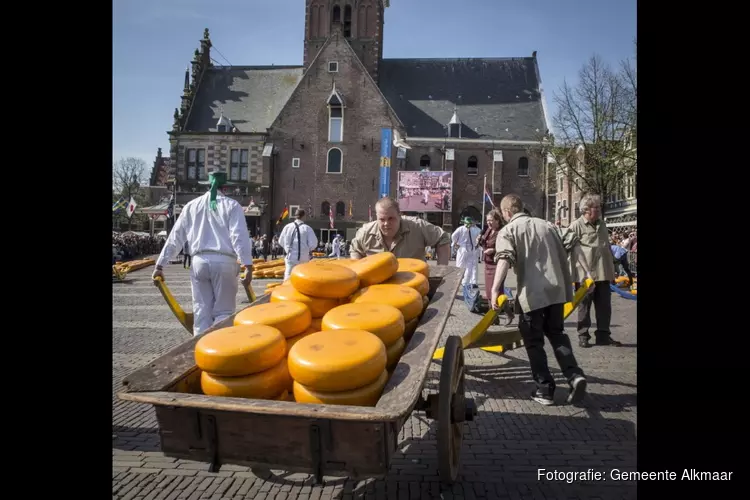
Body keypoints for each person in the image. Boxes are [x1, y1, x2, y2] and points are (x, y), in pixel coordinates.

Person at [490, 194, 593, 406]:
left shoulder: (508, 231)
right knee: (557, 334)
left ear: (507, 212)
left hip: (532, 294)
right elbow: (574, 242)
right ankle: (574, 375)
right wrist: (587, 272)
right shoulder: (548, 225)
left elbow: (503, 259)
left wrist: (494, 289)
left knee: (534, 341)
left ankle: (545, 389)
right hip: (557, 291)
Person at [152, 171, 254, 336]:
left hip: (199, 261)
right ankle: (218, 352)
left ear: (207, 185)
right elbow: (239, 237)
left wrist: (160, 264)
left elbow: (175, 237)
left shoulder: (191, 206)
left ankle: (200, 350)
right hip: (225, 262)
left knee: (201, 311)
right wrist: (247, 264)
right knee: (224, 311)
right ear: (225, 188)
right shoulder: (232, 205)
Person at [568, 194, 621, 348]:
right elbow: (570, 249)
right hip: (585, 275)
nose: (598, 210)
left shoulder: (602, 224)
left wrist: (613, 268)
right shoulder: (576, 226)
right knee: (584, 306)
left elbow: (607, 247)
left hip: (603, 272)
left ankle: (603, 336)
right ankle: (583, 335)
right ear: (586, 210)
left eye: (598, 207)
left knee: (605, 306)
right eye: (595, 207)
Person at [349, 197, 451, 263]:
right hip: (377, 287)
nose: (386, 223)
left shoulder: (417, 227)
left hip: (413, 285)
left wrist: (441, 271)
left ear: (400, 215)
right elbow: (355, 250)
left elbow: (443, 238)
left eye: (391, 218)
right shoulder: (365, 232)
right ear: (377, 217)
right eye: (382, 219)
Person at [478, 209, 514, 325]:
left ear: (498, 220)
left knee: (497, 291)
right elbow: (483, 242)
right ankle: (496, 317)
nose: (488, 223)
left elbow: (505, 248)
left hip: (498, 265)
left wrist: (493, 250)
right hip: (488, 263)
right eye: (487, 220)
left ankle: (503, 314)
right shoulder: (488, 230)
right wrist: (479, 239)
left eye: (491, 220)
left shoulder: (501, 232)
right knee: (489, 292)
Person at [278, 209, 318, 280]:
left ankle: (287, 289)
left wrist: (287, 249)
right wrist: (307, 249)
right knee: (303, 278)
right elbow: (313, 244)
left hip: (290, 257)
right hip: (304, 258)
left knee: (288, 276)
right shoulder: (307, 228)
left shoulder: (287, 227)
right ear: (304, 217)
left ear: (295, 216)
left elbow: (280, 241)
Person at [451, 217, 481, 286]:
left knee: (462, 265)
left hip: (465, 248)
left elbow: (453, 236)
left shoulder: (461, 229)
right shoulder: (474, 230)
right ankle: (465, 281)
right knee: (468, 266)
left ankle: (461, 281)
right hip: (468, 249)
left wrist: (455, 243)